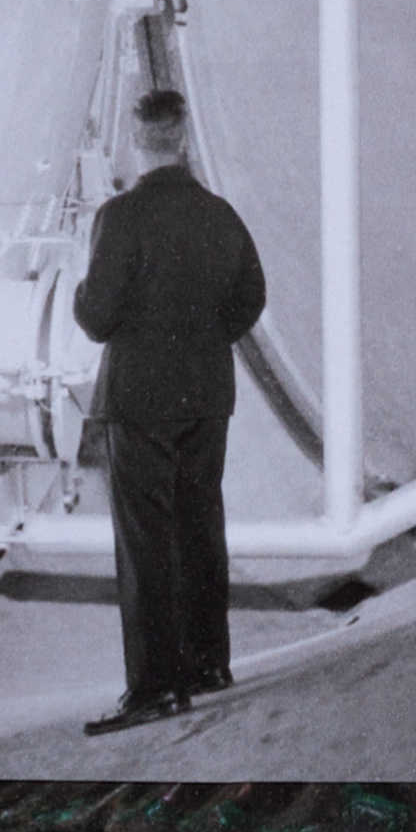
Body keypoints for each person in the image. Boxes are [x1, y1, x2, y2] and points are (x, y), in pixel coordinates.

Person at [69, 88, 270, 734]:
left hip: (141, 400)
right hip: (206, 394)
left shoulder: (120, 216)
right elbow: (251, 297)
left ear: (136, 141)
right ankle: (208, 664)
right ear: (184, 139)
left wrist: (82, 292)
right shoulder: (219, 214)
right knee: (200, 527)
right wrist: (205, 340)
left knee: (146, 541)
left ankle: (156, 687)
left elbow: (96, 318)